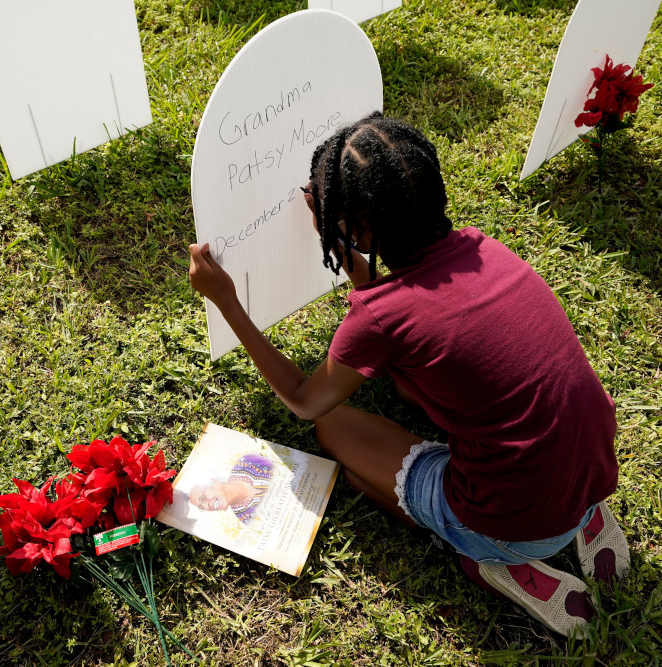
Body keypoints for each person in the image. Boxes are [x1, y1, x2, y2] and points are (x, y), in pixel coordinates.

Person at [188, 112, 630, 636]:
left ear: (359, 226)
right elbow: (404, 324)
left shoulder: (381, 318)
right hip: (592, 475)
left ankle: (497, 560)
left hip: (511, 522)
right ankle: (578, 524)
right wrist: (345, 232)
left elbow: (306, 400)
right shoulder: (484, 248)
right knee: (409, 382)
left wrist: (227, 302)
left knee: (338, 438)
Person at [189, 453, 275, 524]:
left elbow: (280, 463)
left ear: (214, 481)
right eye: (202, 508)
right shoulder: (245, 517)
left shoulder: (246, 463)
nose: (206, 506)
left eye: (203, 498)